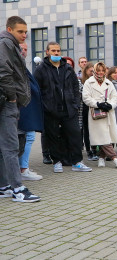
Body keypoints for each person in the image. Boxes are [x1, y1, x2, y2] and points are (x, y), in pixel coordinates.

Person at [0, 16, 41, 202]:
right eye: (20, 31)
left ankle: (4, 186)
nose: (24, 35)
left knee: (5, 147)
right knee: (11, 146)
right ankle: (18, 189)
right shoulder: (6, 44)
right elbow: (4, 73)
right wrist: (13, 97)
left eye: (25, 32)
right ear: (9, 30)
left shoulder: (10, 45)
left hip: (7, 101)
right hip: (7, 102)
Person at [34, 41, 92, 173]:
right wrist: (44, 106)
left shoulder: (67, 68)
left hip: (69, 108)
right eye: (53, 51)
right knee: (53, 136)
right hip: (51, 109)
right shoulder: (41, 69)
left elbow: (75, 87)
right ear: (47, 52)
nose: (56, 53)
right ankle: (57, 162)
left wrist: (75, 104)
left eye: (58, 51)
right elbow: (37, 90)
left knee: (75, 135)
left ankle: (77, 162)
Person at [82, 62, 117, 169]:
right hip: (96, 113)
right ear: (95, 71)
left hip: (108, 113)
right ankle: (115, 158)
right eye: (98, 70)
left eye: (102, 70)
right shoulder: (88, 82)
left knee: (107, 136)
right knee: (103, 136)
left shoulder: (109, 83)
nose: (100, 73)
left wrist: (110, 105)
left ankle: (101, 158)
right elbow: (86, 97)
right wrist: (97, 104)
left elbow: (115, 97)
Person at [17, 42, 44, 181]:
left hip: (27, 108)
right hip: (21, 109)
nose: (24, 51)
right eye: (21, 48)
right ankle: (23, 169)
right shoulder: (15, 66)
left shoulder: (22, 66)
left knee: (28, 137)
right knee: (27, 137)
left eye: (26, 49)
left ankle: (23, 167)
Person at [80, 62, 100, 161]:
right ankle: (89, 151)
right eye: (91, 71)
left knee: (95, 130)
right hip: (85, 108)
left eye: (94, 71)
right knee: (87, 130)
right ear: (86, 71)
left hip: (95, 107)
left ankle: (95, 149)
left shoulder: (97, 82)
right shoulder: (82, 82)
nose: (93, 73)